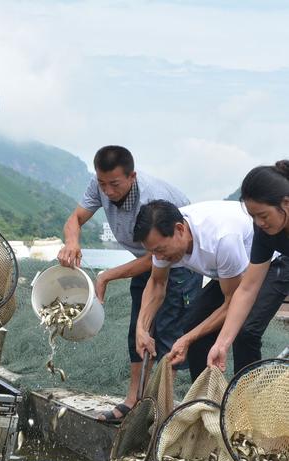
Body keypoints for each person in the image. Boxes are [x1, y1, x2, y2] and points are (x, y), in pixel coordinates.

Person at [57, 146, 202, 422]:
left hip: (180, 261)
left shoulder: (151, 198)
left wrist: (107, 275)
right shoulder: (99, 186)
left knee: (169, 335)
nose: (108, 191)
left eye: (115, 184)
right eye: (102, 183)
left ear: (132, 176)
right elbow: (75, 219)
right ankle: (134, 401)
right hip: (147, 259)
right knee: (138, 329)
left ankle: (164, 413)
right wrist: (72, 241)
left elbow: (157, 256)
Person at [134, 199, 274, 381]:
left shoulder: (222, 239)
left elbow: (233, 302)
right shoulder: (162, 237)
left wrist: (187, 339)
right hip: (230, 275)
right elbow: (157, 283)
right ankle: (204, 402)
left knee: (246, 332)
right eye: (153, 253)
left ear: (180, 229)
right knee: (192, 324)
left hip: (271, 262)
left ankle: (246, 403)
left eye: (161, 250)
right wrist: (141, 329)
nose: (159, 258)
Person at [208, 161, 289, 371]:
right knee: (246, 331)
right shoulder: (265, 231)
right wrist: (222, 343)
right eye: (253, 216)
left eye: (263, 215)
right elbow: (247, 288)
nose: (259, 223)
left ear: (286, 203)